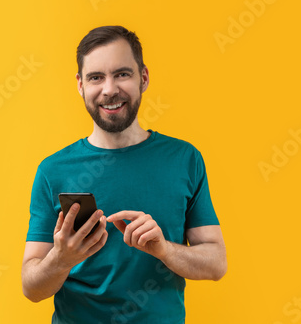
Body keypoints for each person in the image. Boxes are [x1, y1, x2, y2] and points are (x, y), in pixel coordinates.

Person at [22, 25, 227, 324]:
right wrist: (61, 259)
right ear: (80, 84)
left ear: (143, 77)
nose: (109, 89)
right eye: (96, 77)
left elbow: (216, 263)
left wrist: (164, 250)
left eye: (122, 74)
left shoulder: (184, 159)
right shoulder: (53, 170)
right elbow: (31, 287)